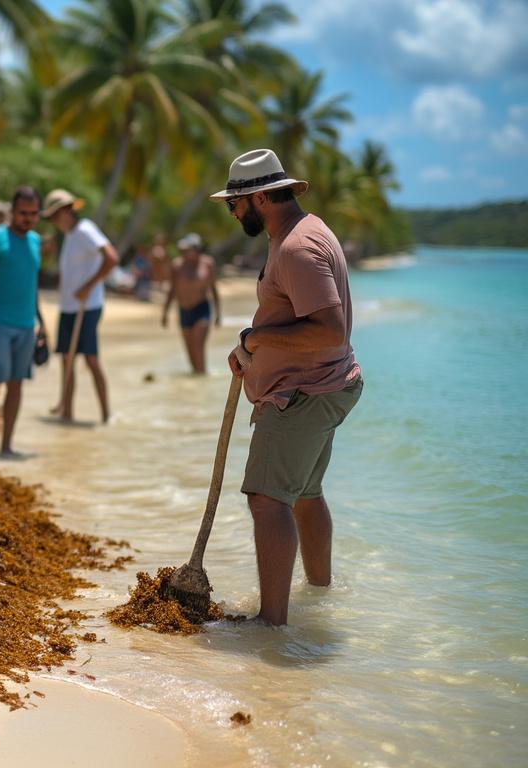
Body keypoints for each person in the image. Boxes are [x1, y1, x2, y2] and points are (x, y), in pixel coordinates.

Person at [215, 148, 363, 626]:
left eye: (234, 203)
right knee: (304, 493)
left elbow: (329, 329)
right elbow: (298, 319)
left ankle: (271, 624)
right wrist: (252, 350)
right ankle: (320, 595)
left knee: (267, 498)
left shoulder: (297, 248)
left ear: (260, 198)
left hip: (302, 394)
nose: (233, 212)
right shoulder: (302, 232)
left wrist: (257, 340)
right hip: (324, 385)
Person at [0, 188, 48, 455]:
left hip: (26, 325)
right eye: (23, 213)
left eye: (33, 214)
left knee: (17, 383)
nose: (28, 218)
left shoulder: (35, 241)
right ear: (12, 212)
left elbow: (32, 285)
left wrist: (42, 322)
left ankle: (6, 445)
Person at [43, 188, 118, 424]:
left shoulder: (85, 230)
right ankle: (66, 413)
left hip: (87, 306)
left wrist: (88, 286)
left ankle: (106, 414)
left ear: (66, 211)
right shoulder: (70, 235)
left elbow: (111, 258)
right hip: (68, 308)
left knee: (90, 360)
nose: (54, 222)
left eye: (56, 216)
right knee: (66, 359)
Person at [161, 232, 221, 374]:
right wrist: (165, 313)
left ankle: (202, 377)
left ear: (196, 249)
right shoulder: (177, 265)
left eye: (188, 249)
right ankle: (197, 377)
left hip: (201, 309)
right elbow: (172, 291)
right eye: (183, 250)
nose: (184, 252)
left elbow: (213, 289)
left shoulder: (207, 263)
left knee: (198, 345)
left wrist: (218, 313)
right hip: (184, 310)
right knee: (189, 350)